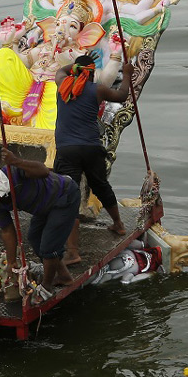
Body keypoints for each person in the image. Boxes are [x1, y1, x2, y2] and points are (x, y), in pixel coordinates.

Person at [54, 51, 134, 264]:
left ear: (75, 72)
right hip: (90, 147)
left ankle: (72, 252)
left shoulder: (61, 85)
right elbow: (122, 95)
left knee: (69, 197)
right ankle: (118, 224)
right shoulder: (96, 89)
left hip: (67, 150)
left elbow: (61, 70)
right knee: (100, 186)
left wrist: (76, 64)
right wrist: (126, 74)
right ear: (91, 74)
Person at [0, 147, 80, 290]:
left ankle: (46, 287)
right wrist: (11, 262)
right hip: (42, 208)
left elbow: (44, 171)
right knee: (34, 238)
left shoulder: (12, 172)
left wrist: (15, 161)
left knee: (49, 247)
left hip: (63, 196)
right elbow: (7, 230)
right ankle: (64, 277)